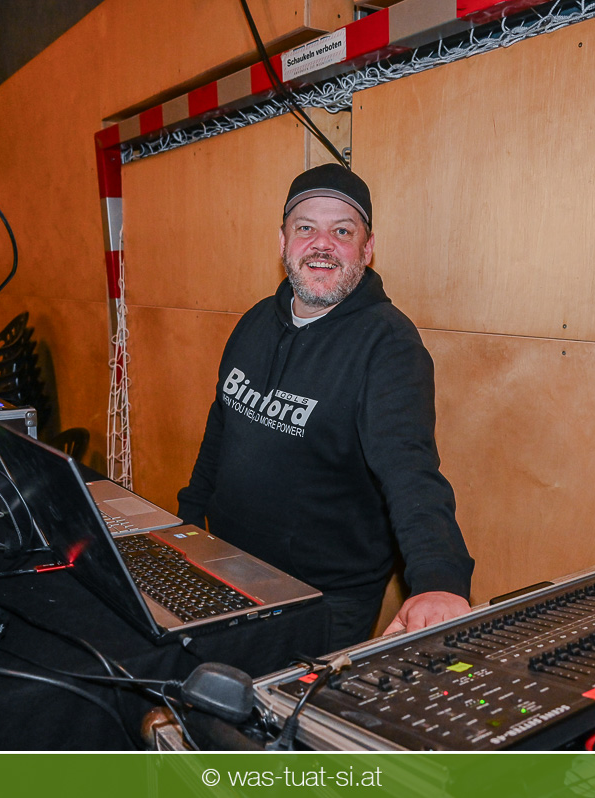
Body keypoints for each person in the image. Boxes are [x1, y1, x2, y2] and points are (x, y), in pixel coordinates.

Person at [177, 163, 474, 651]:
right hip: (229, 568)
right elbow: (221, 431)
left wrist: (439, 578)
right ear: (283, 242)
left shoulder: (389, 344)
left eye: (342, 231)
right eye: (305, 228)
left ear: (368, 248)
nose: (322, 244)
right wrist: (186, 525)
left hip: (321, 602)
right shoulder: (254, 322)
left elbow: (410, 470)